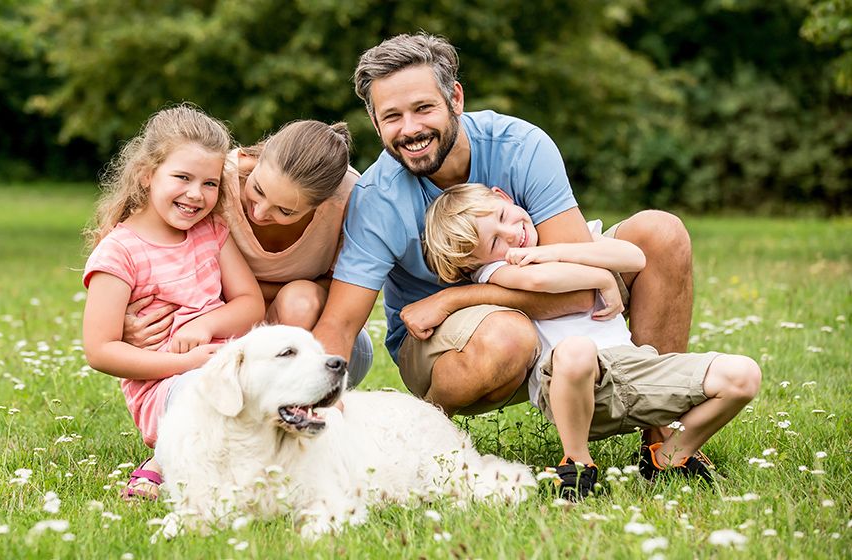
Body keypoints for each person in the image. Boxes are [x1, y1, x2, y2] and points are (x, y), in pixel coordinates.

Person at [312, 32, 696, 448]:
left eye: (423, 108)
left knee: (662, 233)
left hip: (545, 304)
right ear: (375, 123)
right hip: (452, 342)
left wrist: (453, 298)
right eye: (392, 117)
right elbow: (341, 323)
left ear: (455, 99)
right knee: (508, 335)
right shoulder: (377, 198)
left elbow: (579, 287)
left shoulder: (521, 146)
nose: (410, 129)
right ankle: (428, 440)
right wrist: (316, 418)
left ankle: (662, 441)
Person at [422, 183, 762, 499]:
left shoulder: (563, 241)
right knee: (577, 349)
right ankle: (576, 463)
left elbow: (635, 258)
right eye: (495, 241)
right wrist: (600, 276)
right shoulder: (495, 270)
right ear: (474, 264)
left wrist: (554, 250)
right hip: (572, 381)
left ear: (504, 196)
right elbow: (540, 281)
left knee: (743, 375)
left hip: (633, 368)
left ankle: (671, 456)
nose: (513, 234)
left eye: (502, 217)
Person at [81, 104, 264, 500]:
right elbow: (100, 350)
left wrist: (206, 326)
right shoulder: (120, 253)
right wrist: (187, 363)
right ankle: (164, 459)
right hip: (169, 387)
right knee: (204, 391)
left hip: (224, 363)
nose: (196, 195)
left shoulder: (211, 231)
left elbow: (251, 304)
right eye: (182, 177)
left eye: (210, 183)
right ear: (147, 175)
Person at [122, 120, 373, 387]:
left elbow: (348, 297)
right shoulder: (215, 179)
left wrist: (251, 299)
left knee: (299, 299)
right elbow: (138, 240)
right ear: (257, 158)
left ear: (322, 203)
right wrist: (124, 320)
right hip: (228, 335)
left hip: (327, 345)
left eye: (285, 211)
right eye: (258, 190)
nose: (260, 212)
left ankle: (294, 395)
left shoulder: (350, 198)